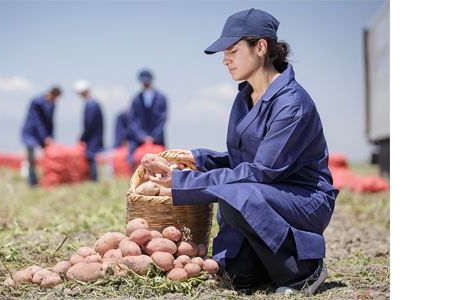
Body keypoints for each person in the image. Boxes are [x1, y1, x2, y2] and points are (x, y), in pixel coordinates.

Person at [141, 8, 338, 296]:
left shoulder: (292, 104)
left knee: (234, 192)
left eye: (233, 50)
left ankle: (305, 269)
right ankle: (265, 263)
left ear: (260, 48)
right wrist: (198, 159)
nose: (225, 59)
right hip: (264, 197)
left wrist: (181, 182)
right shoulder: (245, 96)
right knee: (240, 276)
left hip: (304, 200)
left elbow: (261, 172)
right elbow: (240, 161)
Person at [21, 86, 61, 186]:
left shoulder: (52, 104)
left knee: (49, 156)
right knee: (31, 159)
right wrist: (45, 137)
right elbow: (38, 121)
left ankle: (47, 179)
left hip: (44, 134)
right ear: (51, 94)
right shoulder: (37, 102)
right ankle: (32, 182)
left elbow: (50, 122)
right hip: (31, 133)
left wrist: (50, 136)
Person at [127, 69, 167, 165]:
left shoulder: (161, 98)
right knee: (133, 160)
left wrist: (153, 137)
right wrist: (142, 136)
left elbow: (162, 119)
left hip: (157, 138)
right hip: (139, 139)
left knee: (161, 160)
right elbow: (132, 120)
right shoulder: (136, 99)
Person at [74, 80, 104, 181]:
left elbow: (89, 123)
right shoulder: (94, 103)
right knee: (92, 156)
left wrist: (83, 136)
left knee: (91, 156)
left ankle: (93, 178)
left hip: (92, 135)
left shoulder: (91, 104)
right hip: (95, 134)